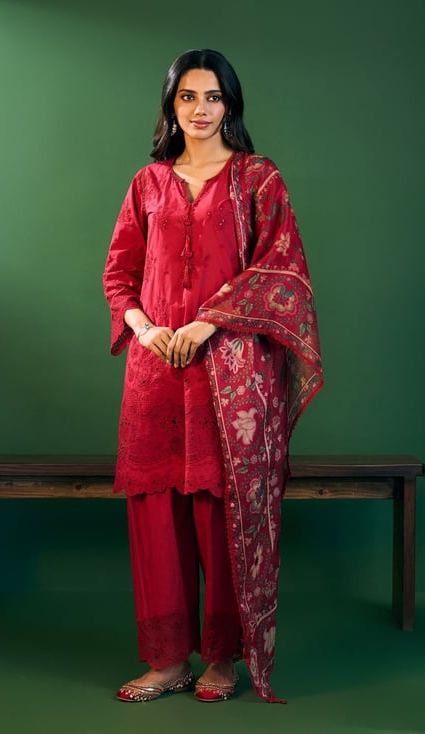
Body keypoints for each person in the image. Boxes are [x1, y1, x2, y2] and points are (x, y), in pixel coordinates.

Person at [103, 48, 323, 704]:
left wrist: (207, 324)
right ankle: (167, 660)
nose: (200, 110)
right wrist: (146, 329)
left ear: (231, 105)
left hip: (229, 378)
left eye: (213, 97)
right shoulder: (148, 183)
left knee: (222, 511)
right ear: (170, 107)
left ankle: (223, 658)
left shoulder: (258, 178)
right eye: (188, 97)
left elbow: (282, 268)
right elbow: (119, 273)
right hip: (154, 373)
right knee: (156, 513)